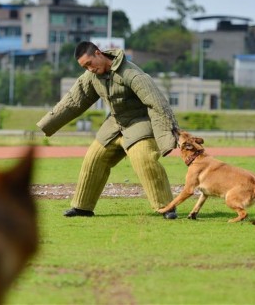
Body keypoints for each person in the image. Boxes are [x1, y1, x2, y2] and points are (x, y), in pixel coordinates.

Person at [36, 41, 179, 219]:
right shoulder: (91, 77)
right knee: (93, 158)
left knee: (144, 159)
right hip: (115, 123)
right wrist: (47, 124)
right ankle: (82, 207)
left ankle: (166, 207)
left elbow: (157, 104)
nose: (89, 69)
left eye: (89, 64)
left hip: (139, 122)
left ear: (98, 53)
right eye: (84, 67)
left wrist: (166, 138)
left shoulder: (132, 74)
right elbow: (73, 101)